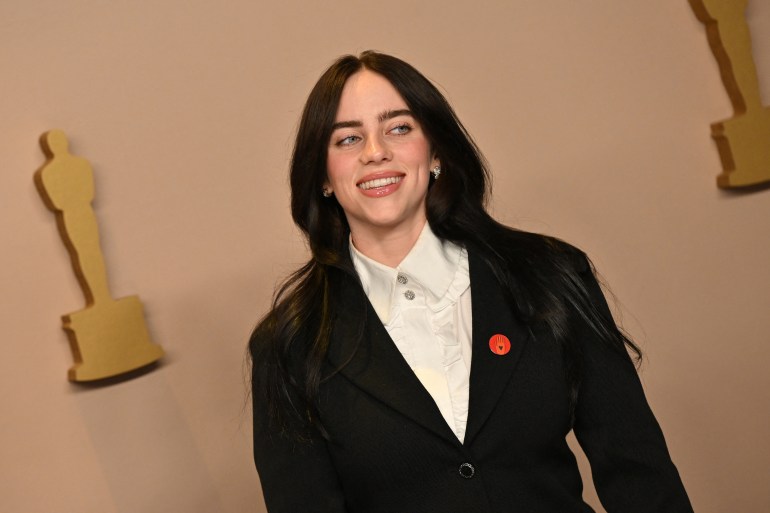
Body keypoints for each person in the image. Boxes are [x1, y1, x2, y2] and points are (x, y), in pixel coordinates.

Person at [249, 50, 693, 513]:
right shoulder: (288, 344)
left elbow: (640, 474)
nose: (375, 151)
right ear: (322, 176)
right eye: (347, 139)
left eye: (398, 128)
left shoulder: (550, 274)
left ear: (435, 150)